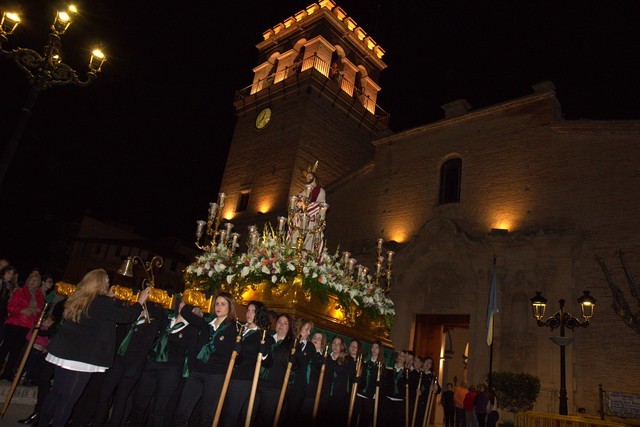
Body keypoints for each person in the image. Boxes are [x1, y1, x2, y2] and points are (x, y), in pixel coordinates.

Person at [35, 269, 150, 427]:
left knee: (56, 393)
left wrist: (109, 298)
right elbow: (126, 316)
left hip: (63, 353)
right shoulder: (101, 302)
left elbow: (95, 314)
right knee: (68, 400)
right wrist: (140, 301)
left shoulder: (78, 297)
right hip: (80, 357)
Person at [126, 300, 200, 427]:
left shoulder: (192, 328)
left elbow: (192, 354)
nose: (182, 306)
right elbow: (150, 306)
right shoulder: (168, 319)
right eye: (181, 303)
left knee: (159, 408)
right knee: (139, 402)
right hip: (153, 364)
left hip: (171, 369)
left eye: (187, 305)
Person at [174, 291, 240, 426]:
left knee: (206, 417)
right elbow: (185, 312)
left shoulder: (234, 330)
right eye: (216, 304)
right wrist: (199, 302)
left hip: (216, 376)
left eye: (223, 304)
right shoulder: (206, 324)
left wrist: (238, 350)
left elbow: (239, 358)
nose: (219, 307)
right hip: (197, 372)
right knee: (182, 411)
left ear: (230, 307)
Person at [221, 301, 272, 427]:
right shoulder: (239, 328)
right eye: (248, 310)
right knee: (221, 412)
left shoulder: (262, 335)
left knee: (230, 415)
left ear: (259, 314)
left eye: (253, 311)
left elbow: (268, 363)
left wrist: (264, 352)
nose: (249, 314)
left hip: (242, 379)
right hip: (225, 373)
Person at [0, 271, 46, 381]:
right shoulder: (19, 292)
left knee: (17, 350)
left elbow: (41, 312)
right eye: (30, 280)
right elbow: (10, 307)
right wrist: (22, 310)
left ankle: (8, 372)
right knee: (6, 347)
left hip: (27, 326)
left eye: (35, 281)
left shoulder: (40, 296)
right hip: (15, 323)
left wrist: (35, 310)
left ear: (39, 283)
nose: (32, 282)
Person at [256, 313, 297, 427]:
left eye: (285, 323)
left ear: (289, 327)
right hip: (258, 383)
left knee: (266, 419)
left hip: (274, 388)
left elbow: (296, 365)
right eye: (279, 322)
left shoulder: (291, 345)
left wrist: (294, 360)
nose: (281, 325)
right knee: (251, 416)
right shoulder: (267, 339)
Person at [318, 336, 354, 426]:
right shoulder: (326, 357)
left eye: (338, 344)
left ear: (342, 346)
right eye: (334, 343)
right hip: (324, 395)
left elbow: (352, 377)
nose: (335, 346)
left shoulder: (348, 360)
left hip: (339, 397)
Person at [285, 317, 315, 425]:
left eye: (309, 330)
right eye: (306, 329)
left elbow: (312, 365)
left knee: (292, 415)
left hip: (299, 385)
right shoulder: (290, 342)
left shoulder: (310, 346)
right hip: (284, 381)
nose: (308, 332)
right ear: (299, 327)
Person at [353, 340, 383, 427]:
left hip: (370, 396)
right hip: (359, 393)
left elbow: (382, 383)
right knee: (353, 417)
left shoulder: (381, 366)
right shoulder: (365, 362)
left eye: (376, 348)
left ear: (380, 350)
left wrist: (378, 388)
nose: (374, 349)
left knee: (365, 420)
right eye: (373, 347)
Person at [300, 331, 327, 421]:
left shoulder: (324, 358)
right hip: (299, 389)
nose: (316, 339)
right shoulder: (303, 350)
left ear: (323, 343)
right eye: (314, 337)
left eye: (319, 339)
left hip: (312, 394)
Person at [382, 350, 407, 427]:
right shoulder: (389, 369)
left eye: (403, 356)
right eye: (399, 355)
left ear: (405, 359)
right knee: (384, 422)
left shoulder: (407, 373)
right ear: (397, 357)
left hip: (399, 402)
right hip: (387, 400)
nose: (400, 357)